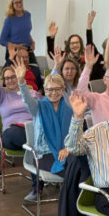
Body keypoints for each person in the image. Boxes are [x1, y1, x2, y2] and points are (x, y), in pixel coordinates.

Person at [17, 62, 73, 202]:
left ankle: (70, 198)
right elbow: (27, 99)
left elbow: (73, 134)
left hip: (64, 151)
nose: (53, 93)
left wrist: (67, 148)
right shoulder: (38, 107)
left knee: (80, 166)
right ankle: (68, 202)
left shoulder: (68, 109)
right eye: (49, 90)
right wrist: (21, 81)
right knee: (71, 173)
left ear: (63, 90)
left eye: (57, 89)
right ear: (45, 90)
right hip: (43, 155)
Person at [0, 55, 39, 157]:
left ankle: (35, 159)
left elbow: (42, 111)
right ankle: (37, 152)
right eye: (6, 78)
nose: (9, 80)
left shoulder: (31, 93)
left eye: (13, 77)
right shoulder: (2, 95)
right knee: (14, 132)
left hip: (31, 130)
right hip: (11, 135)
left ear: (19, 75)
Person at [0, 0, 35, 64]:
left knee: (35, 72)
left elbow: (26, 32)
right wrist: (17, 46)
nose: (19, 4)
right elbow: (2, 40)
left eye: (20, 2)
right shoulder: (9, 20)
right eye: (16, 3)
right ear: (12, 5)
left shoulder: (27, 15)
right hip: (14, 52)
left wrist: (32, 42)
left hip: (27, 50)